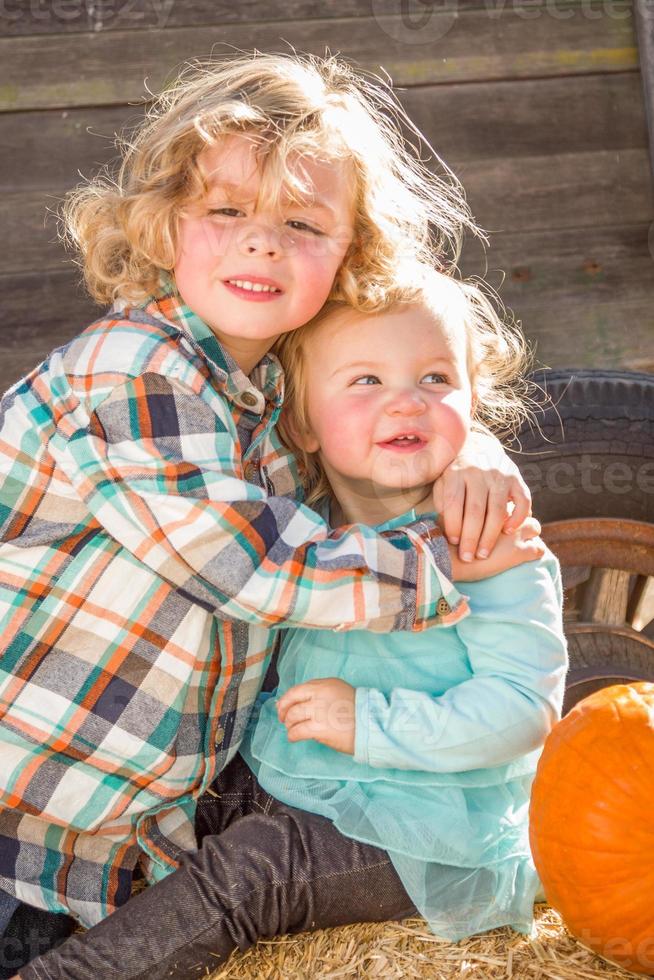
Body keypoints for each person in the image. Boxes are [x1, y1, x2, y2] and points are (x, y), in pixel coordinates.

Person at [0, 52, 538, 978]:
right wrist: (460, 554)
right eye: (228, 211)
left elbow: (387, 408)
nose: (263, 243)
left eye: (302, 222)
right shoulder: (130, 376)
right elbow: (252, 566)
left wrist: (471, 452)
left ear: (351, 251)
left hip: (122, 839)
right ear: (166, 225)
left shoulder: (275, 385)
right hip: (22, 822)